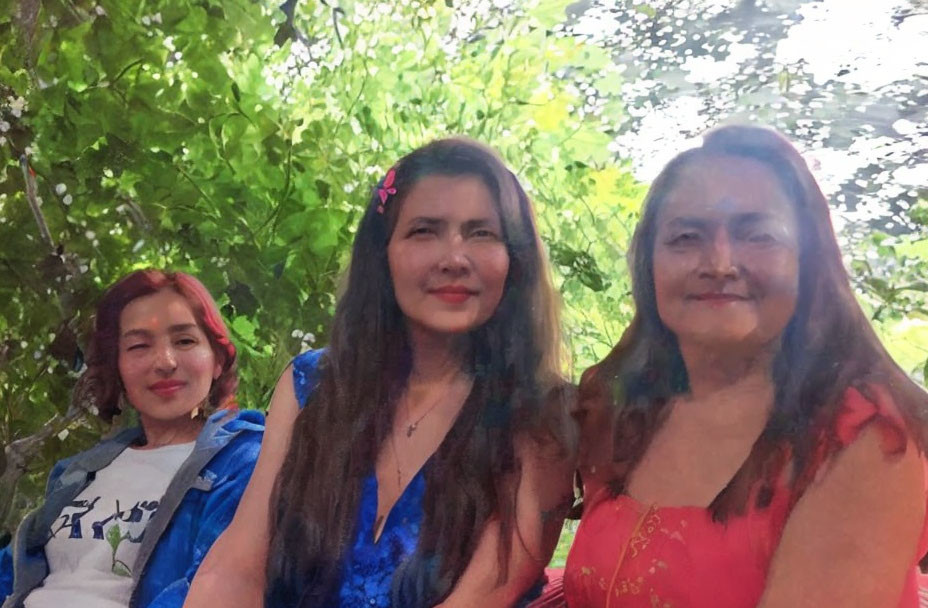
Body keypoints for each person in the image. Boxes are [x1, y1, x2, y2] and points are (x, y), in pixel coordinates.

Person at [185, 137, 575, 608]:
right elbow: (236, 565)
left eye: (482, 233)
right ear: (382, 253)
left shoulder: (544, 417)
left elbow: (483, 597)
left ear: (514, 260)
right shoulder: (312, 384)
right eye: (424, 231)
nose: (454, 257)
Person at [560, 125, 928, 607]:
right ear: (648, 263)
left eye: (757, 235)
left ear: (808, 259)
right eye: (686, 237)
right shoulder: (624, 404)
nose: (719, 262)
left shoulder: (867, 435)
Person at [0, 269, 264, 608]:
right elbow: (13, 572)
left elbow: (218, 588)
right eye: (139, 346)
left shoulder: (244, 461)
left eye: (185, 341)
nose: (165, 362)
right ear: (117, 366)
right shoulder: (78, 471)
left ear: (216, 360)